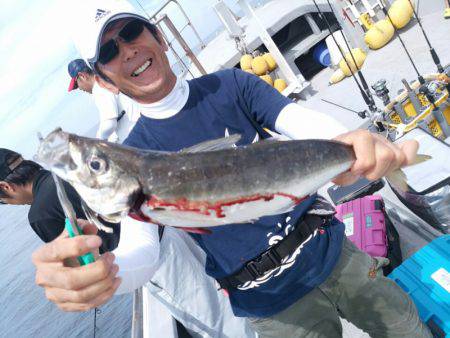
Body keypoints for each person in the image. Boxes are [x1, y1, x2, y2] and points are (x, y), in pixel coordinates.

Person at [32, 1, 432, 337]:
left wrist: (351, 143)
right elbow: (142, 249)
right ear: (103, 78)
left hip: (337, 255)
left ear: (159, 37)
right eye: (108, 52)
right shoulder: (135, 152)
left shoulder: (231, 85)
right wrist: (108, 272)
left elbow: (302, 123)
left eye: (132, 32)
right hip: (273, 306)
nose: (128, 50)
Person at [0, 148, 119, 252]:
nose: (7, 203)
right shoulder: (65, 170)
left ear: (5, 186)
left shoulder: (39, 215)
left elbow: (78, 260)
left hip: (116, 253)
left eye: (2, 201)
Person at [67, 59, 140, 143]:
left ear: (82, 76)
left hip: (138, 138)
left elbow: (109, 124)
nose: (79, 88)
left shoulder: (99, 89)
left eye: (77, 84)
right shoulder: (106, 79)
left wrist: (96, 143)